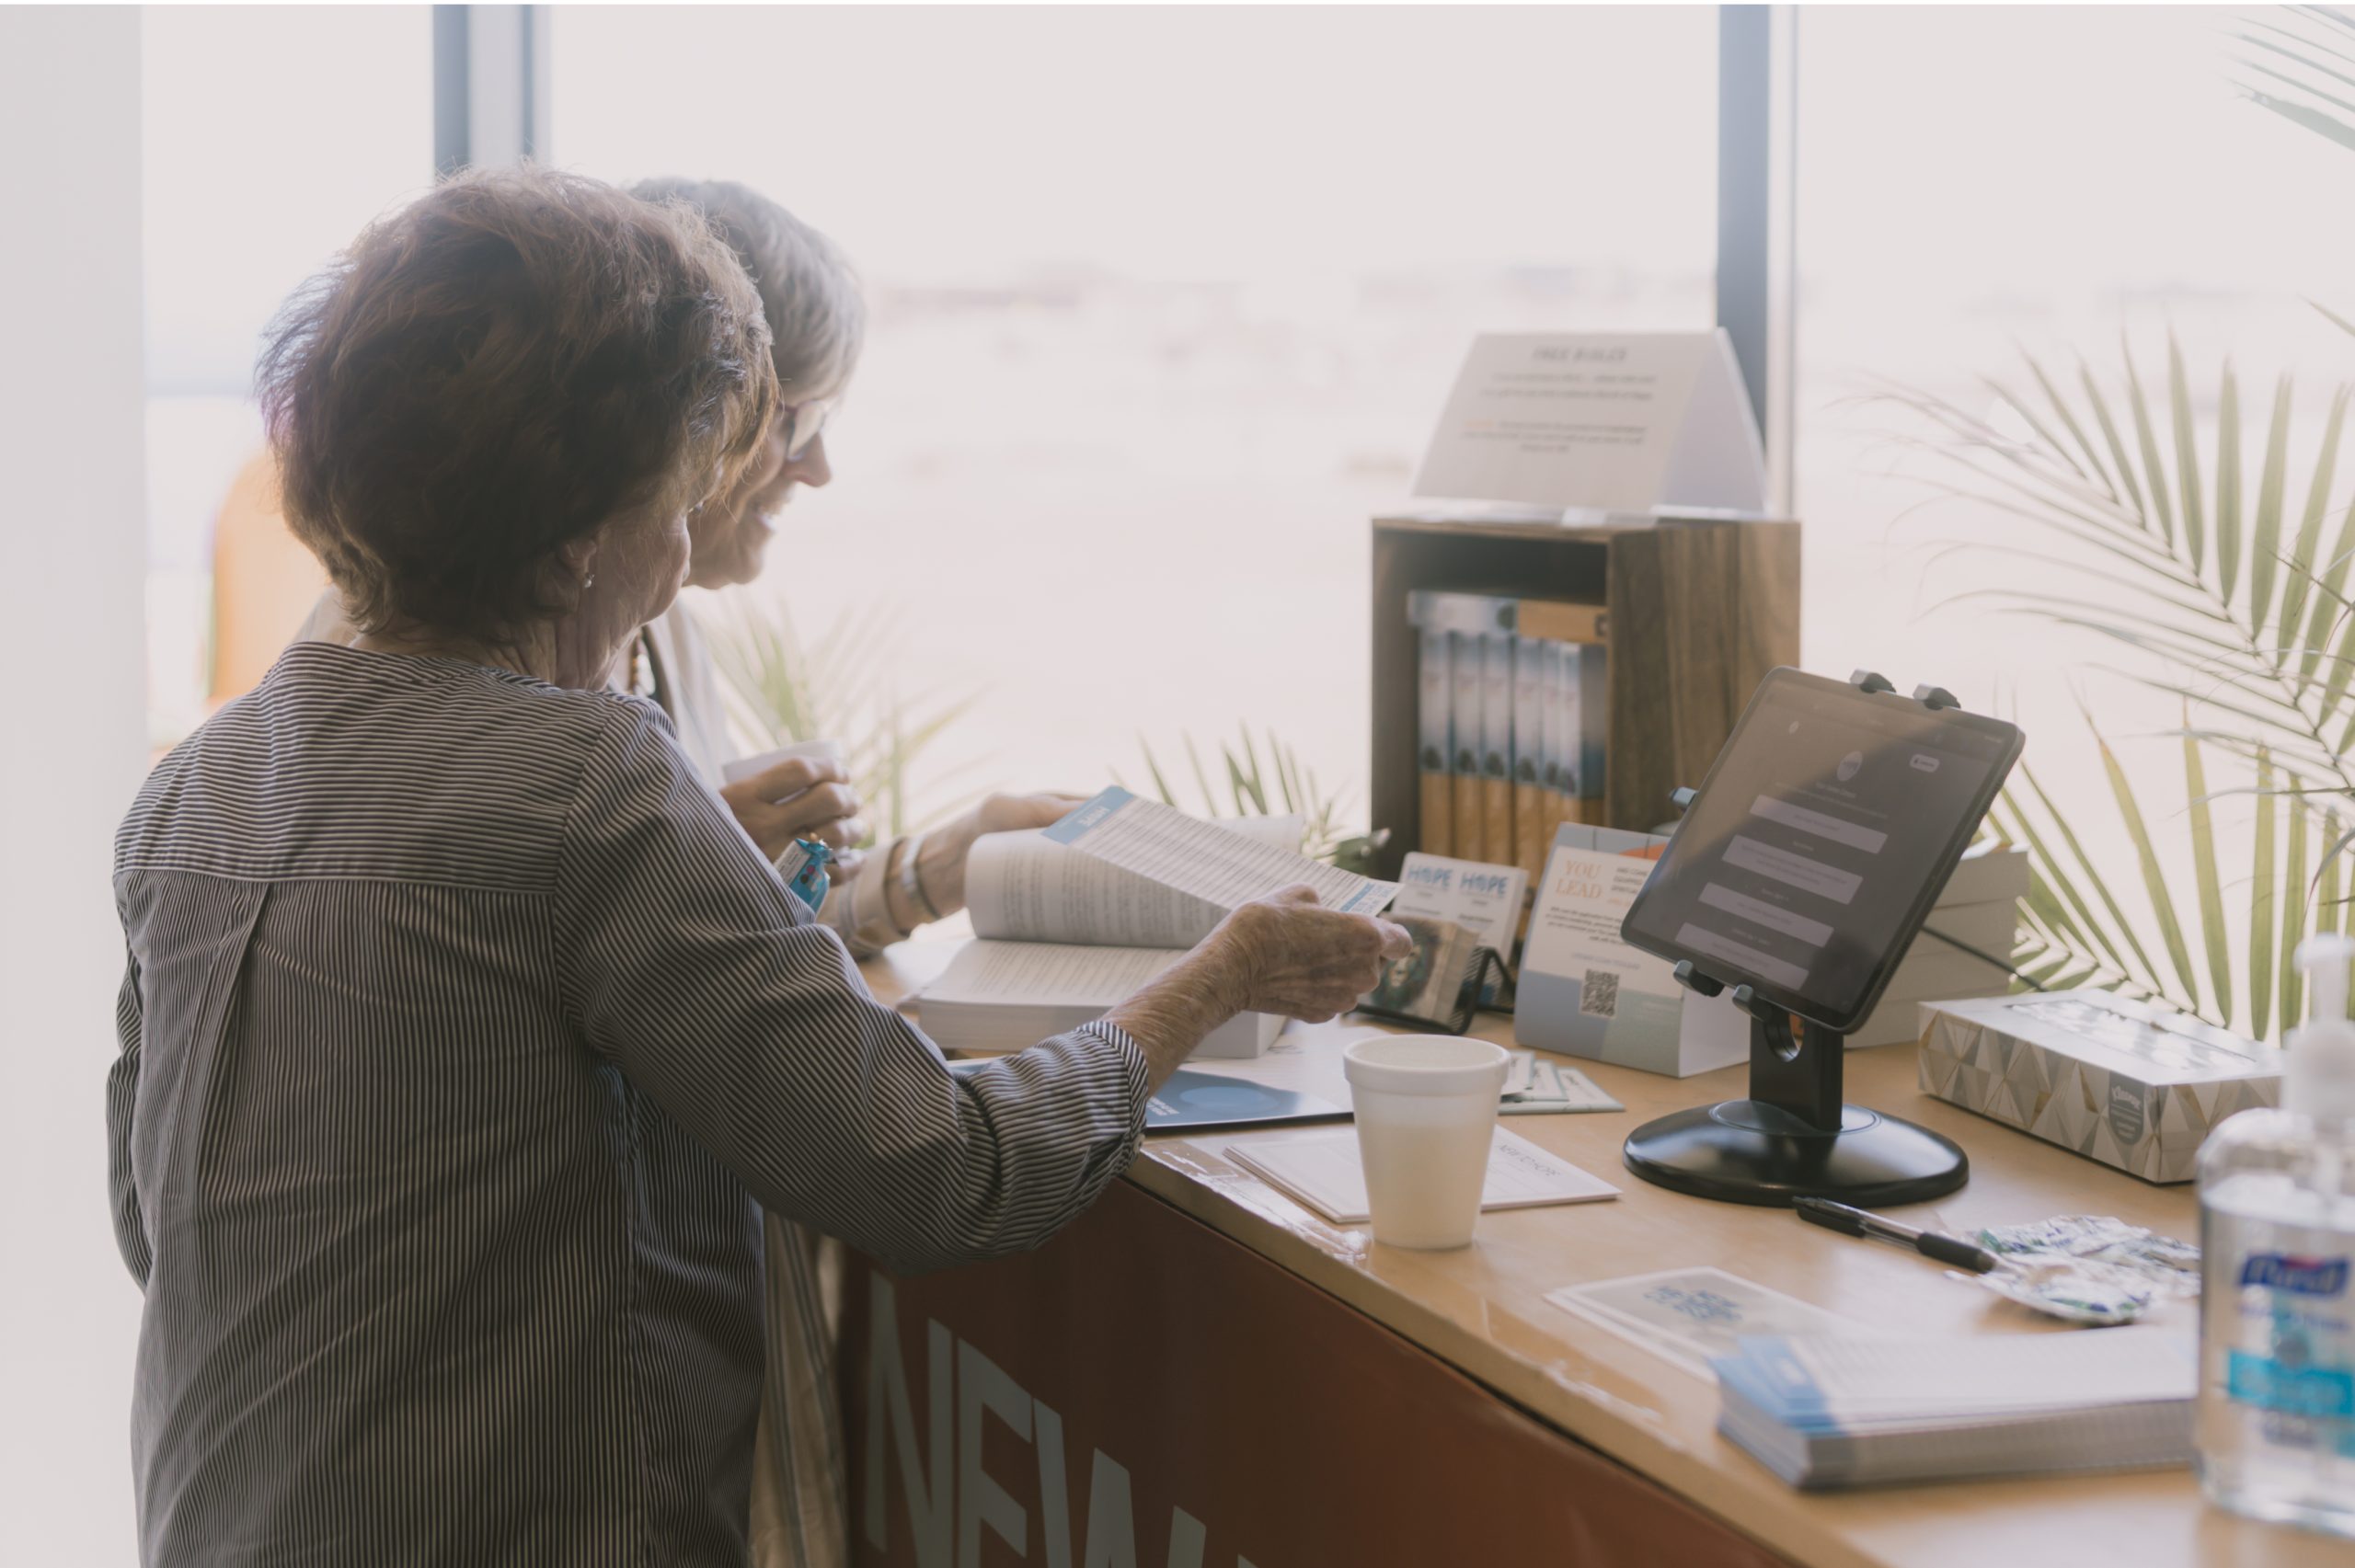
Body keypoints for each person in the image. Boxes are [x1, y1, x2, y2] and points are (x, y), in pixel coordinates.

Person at [108, 166, 1407, 1565]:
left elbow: (154, 1215)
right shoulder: (585, 781)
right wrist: (1211, 984)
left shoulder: (195, 785)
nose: (678, 557)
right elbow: (936, 1170)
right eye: (672, 507)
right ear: (572, 548)